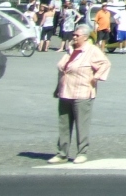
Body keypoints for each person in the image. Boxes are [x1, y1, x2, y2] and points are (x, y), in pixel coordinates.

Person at [49, 24, 111, 164]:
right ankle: (62, 154)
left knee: (81, 125)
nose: (74, 37)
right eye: (74, 35)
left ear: (85, 37)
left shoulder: (92, 50)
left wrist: (96, 77)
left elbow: (105, 63)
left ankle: (82, 152)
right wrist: (57, 88)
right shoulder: (70, 50)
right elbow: (62, 70)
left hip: (82, 92)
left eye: (77, 35)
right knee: (64, 124)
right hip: (65, 92)